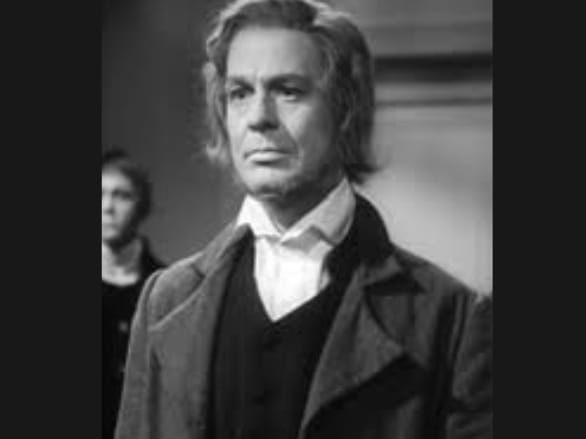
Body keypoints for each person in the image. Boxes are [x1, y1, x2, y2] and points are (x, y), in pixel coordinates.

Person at [115, 1, 492, 438]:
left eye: (288, 91)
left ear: (344, 108)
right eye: (240, 93)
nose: (259, 118)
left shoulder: (452, 317)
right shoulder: (165, 299)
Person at [102, 148, 164, 439]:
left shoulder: (167, 288)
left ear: (142, 206)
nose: (107, 207)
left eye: (122, 195)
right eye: (101, 194)